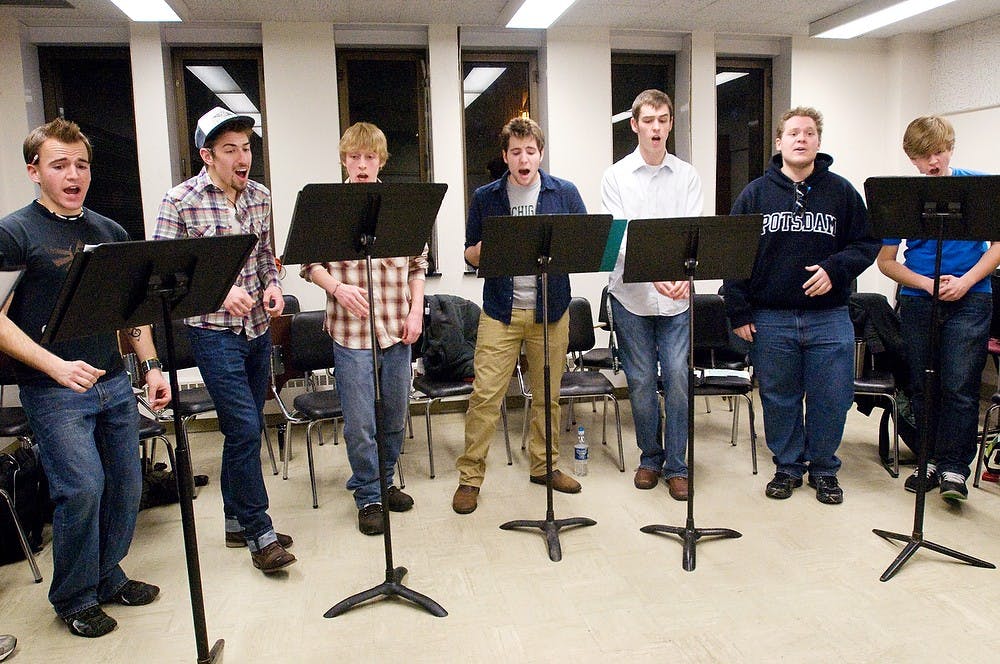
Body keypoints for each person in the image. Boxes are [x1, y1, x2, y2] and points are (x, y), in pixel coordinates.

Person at [0, 118, 171, 637]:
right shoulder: (15, 233)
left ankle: (107, 573)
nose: (73, 175)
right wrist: (55, 365)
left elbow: (129, 310)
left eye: (81, 165)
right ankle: (73, 596)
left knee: (125, 485)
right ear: (34, 171)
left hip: (115, 383)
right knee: (81, 490)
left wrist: (152, 365)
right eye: (59, 165)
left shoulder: (108, 231)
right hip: (55, 392)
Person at [154, 107, 295, 572]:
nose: (242, 158)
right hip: (213, 335)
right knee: (243, 429)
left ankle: (236, 520)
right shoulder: (179, 201)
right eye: (230, 149)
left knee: (247, 426)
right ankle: (261, 532)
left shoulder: (259, 197)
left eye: (247, 148)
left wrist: (273, 284)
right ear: (207, 155)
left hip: (256, 330)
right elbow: (165, 277)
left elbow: (266, 257)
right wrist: (218, 291)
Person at [723, 106, 879, 505]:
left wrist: (835, 268)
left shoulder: (842, 192)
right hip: (771, 317)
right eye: (793, 133)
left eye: (809, 133)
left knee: (831, 396)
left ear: (818, 142)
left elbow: (866, 244)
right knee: (778, 396)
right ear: (779, 142)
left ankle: (825, 470)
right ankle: (788, 467)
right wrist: (739, 311)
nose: (801, 139)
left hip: (829, 317)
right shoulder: (755, 193)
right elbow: (733, 255)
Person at [452, 116, 587, 514]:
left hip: (551, 310)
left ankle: (545, 467)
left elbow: (582, 245)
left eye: (530, 151)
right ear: (505, 156)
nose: (523, 158)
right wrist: (487, 248)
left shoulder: (564, 193)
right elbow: (468, 252)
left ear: (540, 154)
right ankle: (470, 478)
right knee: (485, 397)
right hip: (501, 312)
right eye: (516, 152)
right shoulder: (486, 196)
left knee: (549, 397)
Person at [300, 122, 424, 535]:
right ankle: (368, 496)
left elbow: (417, 266)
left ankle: (385, 482)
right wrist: (336, 287)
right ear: (344, 160)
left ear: (381, 161)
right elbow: (308, 263)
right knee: (359, 423)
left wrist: (416, 312)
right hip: (350, 334)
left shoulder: (403, 206)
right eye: (354, 156)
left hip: (395, 328)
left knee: (393, 415)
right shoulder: (329, 205)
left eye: (370, 157)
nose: (362, 164)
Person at [877, 115, 1000, 501]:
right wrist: (927, 284)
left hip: (971, 297)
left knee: (960, 385)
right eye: (924, 156)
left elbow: (997, 247)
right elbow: (886, 261)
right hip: (919, 300)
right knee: (922, 383)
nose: (934, 162)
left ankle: (954, 469)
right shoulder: (904, 197)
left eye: (940, 152)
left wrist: (965, 281)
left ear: (951, 147)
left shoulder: (979, 188)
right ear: (911, 158)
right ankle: (928, 461)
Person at [601, 89, 702, 501]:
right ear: (635, 125)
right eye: (649, 120)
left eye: (663, 120)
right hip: (631, 297)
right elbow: (618, 236)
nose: (656, 127)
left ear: (670, 125)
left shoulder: (688, 176)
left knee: (678, 378)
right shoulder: (616, 176)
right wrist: (656, 270)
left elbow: (693, 231)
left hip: (677, 296)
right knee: (641, 381)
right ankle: (650, 458)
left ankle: (677, 466)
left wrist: (684, 276)